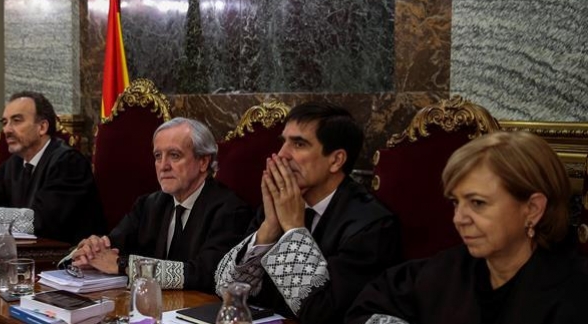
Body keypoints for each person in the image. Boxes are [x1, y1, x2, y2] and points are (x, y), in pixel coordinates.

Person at [346, 131, 588, 324]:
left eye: (478, 203)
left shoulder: (574, 292)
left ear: (533, 209)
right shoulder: (446, 270)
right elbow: (370, 306)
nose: (459, 218)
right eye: (455, 202)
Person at [215, 102, 401, 323]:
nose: (282, 155)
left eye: (299, 144)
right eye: (283, 142)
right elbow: (226, 290)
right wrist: (268, 229)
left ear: (336, 160)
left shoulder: (372, 225)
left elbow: (324, 314)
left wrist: (293, 229)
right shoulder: (279, 204)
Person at [68, 118, 253, 292]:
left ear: (203, 162)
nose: (163, 166)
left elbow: (206, 274)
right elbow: (112, 245)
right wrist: (89, 252)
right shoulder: (148, 205)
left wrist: (122, 264)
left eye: (174, 155)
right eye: (158, 156)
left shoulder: (230, 210)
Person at [0, 91, 105, 244]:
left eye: (16, 121)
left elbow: (40, 221)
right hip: (26, 253)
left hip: (67, 260)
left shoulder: (68, 163)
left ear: (42, 127)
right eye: (5, 122)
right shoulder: (13, 164)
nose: (6, 130)